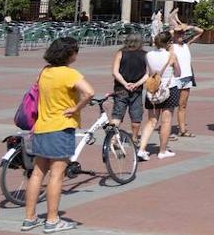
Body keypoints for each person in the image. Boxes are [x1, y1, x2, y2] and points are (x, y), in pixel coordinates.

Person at [23, 37, 93, 233]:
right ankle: (52, 220)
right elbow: (89, 92)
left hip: (41, 126)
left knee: (37, 173)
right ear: (69, 54)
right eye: (75, 51)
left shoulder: (44, 72)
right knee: (57, 174)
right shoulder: (69, 74)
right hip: (61, 127)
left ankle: (29, 218)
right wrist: (76, 107)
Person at [137, 31, 180, 161]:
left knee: (151, 121)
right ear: (168, 43)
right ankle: (162, 150)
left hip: (153, 89)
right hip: (169, 88)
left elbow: (150, 73)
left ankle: (141, 149)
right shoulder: (171, 55)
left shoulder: (148, 55)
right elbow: (178, 73)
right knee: (166, 120)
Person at [110, 33, 147, 138]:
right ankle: (134, 138)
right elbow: (148, 74)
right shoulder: (145, 54)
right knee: (136, 116)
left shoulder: (121, 53)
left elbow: (115, 72)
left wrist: (125, 84)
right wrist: (137, 84)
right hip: (137, 89)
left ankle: (112, 139)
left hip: (121, 88)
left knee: (117, 115)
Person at [170, 24, 201, 138]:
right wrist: (176, 29)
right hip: (175, 79)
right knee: (170, 106)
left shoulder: (186, 44)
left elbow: (200, 31)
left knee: (182, 105)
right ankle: (166, 130)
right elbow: (165, 36)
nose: (181, 35)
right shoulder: (171, 46)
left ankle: (182, 129)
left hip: (186, 78)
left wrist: (188, 27)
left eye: (182, 33)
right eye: (179, 33)